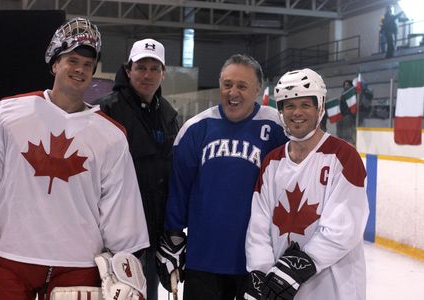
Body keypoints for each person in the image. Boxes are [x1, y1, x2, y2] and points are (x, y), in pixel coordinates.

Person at [0, 17, 149, 300]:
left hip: (78, 264)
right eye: (73, 60)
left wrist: (126, 264)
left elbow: (120, 208)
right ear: (55, 63)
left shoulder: (111, 135)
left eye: (88, 65)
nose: (80, 69)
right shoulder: (7, 115)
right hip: (10, 258)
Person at [156, 54, 288, 300]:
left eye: (242, 85)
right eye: (227, 84)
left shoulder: (277, 128)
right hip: (204, 260)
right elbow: (179, 188)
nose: (233, 92)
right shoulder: (196, 128)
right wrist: (173, 235)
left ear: (258, 89)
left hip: (257, 261)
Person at [244, 68, 369, 300]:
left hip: (333, 290)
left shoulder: (344, 156)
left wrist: (296, 268)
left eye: (305, 105)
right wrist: (261, 273)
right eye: (289, 105)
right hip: (281, 290)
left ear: (320, 107)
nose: (296, 113)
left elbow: (344, 227)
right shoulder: (272, 162)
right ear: (280, 111)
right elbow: (258, 227)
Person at [96, 38, 179, 300]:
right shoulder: (107, 108)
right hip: (113, 236)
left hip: (152, 237)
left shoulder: (168, 114)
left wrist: (171, 230)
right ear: (129, 69)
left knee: (147, 293)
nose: (147, 74)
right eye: (141, 66)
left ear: (163, 73)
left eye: (155, 68)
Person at [336, 79, 356, 145]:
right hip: (342, 114)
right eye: (345, 85)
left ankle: (349, 142)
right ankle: (340, 141)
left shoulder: (353, 94)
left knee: (347, 130)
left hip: (349, 114)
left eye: (347, 85)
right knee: (339, 127)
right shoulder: (342, 94)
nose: (346, 86)